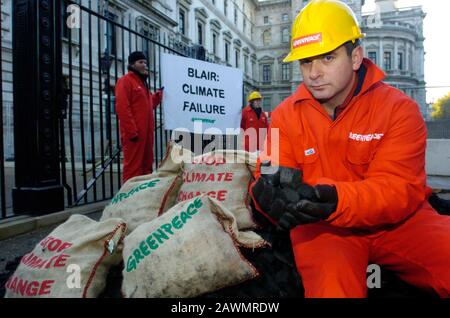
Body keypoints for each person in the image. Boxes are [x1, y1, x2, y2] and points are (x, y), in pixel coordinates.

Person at [250, 0, 450, 298]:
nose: (314, 72)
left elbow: (399, 189)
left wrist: (336, 200)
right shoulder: (284, 116)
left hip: (399, 223)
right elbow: (269, 170)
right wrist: (264, 198)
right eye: (306, 62)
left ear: (356, 57)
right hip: (321, 227)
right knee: (332, 289)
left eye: (327, 58)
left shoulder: (398, 110)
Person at [116, 51, 163, 182]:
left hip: (147, 135)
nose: (144, 65)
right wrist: (131, 132)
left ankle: (143, 196)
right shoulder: (125, 81)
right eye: (140, 62)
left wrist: (158, 96)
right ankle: (128, 197)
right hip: (135, 135)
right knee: (133, 168)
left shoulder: (143, 85)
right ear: (132, 64)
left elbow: (149, 105)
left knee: (147, 166)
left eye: (145, 62)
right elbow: (122, 108)